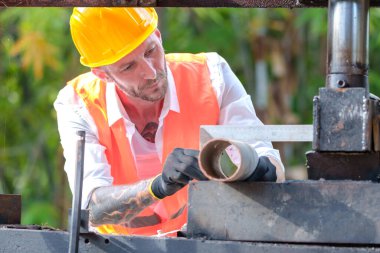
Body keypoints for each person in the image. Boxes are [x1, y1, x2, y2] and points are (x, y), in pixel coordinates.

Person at [54, 7, 285, 236]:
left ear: (158, 35)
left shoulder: (213, 76)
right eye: (128, 67)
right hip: (116, 247)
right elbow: (91, 208)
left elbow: (271, 163)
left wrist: (254, 168)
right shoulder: (78, 103)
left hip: (203, 242)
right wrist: (158, 186)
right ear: (103, 74)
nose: (151, 72)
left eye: (150, 51)